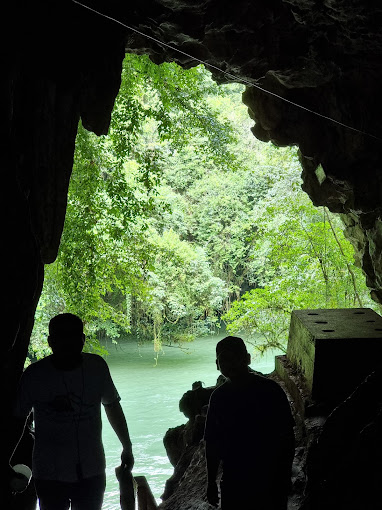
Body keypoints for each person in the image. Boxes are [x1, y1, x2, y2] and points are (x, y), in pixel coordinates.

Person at [10, 313, 134, 510]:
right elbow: (17, 421)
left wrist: (127, 446)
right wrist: (6, 461)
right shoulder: (34, 376)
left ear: (83, 340)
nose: (68, 343)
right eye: (62, 337)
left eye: (73, 337)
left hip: (91, 469)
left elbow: (112, 406)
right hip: (49, 473)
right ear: (51, 341)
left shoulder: (97, 367)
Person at [204, 336, 295, 509]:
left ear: (247, 359)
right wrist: (210, 482)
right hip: (234, 479)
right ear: (217, 365)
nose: (231, 364)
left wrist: (285, 474)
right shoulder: (218, 398)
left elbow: (287, 438)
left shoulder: (271, 391)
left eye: (235, 358)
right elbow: (211, 444)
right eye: (225, 359)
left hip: (270, 477)